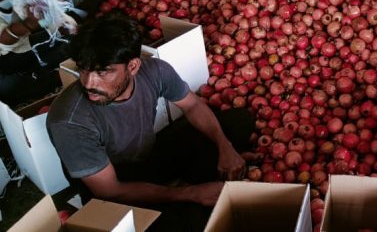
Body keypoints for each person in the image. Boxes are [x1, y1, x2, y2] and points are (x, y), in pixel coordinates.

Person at [47, 15, 254, 231]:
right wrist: (189, 194)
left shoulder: (155, 71)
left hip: (148, 156)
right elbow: (110, 190)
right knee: (187, 223)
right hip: (114, 186)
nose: (89, 83)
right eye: (83, 70)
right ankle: (189, 189)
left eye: (102, 72)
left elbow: (193, 106)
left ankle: (195, 183)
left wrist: (224, 146)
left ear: (133, 66)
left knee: (238, 121)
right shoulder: (69, 121)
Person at [0, 0, 72, 106]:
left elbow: (43, 5)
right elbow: (2, 40)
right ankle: (39, 77)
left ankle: (38, 74)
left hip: (24, 43)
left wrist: (59, 22)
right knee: (5, 89)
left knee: (72, 39)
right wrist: (28, 25)